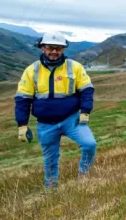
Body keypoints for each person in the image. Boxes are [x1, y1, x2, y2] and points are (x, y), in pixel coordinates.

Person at [14, 31, 97, 188]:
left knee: (89, 145)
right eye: (50, 47)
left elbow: (87, 90)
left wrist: (85, 112)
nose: (54, 51)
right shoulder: (31, 71)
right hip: (46, 125)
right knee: (50, 160)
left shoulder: (75, 67)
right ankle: (50, 190)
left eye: (58, 48)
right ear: (42, 48)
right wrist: (22, 125)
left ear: (63, 49)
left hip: (72, 119)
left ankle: (84, 176)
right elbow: (22, 100)